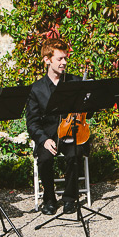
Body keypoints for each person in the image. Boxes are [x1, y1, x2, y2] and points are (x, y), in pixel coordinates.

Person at [26, 37, 89, 216]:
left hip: (72, 132)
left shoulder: (75, 82)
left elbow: (88, 112)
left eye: (65, 58)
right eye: (60, 59)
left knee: (75, 154)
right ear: (47, 60)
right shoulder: (36, 89)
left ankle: (70, 198)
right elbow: (32, 122)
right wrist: (43, 140)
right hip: (49, 136)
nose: (64, 63)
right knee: (45, 159)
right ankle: (49, 198)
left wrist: (86, 104)